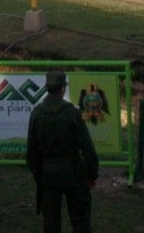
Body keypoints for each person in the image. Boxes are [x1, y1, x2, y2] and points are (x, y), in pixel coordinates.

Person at [27, 70, 99, 233]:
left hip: (48, 173)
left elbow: (32, 151)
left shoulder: (37, 113)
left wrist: (39, 174)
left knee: (51, 220)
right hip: (73, 171)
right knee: (80, 219)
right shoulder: (72, 113)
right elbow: (88, 149)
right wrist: (92, 175)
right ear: (62, 89)